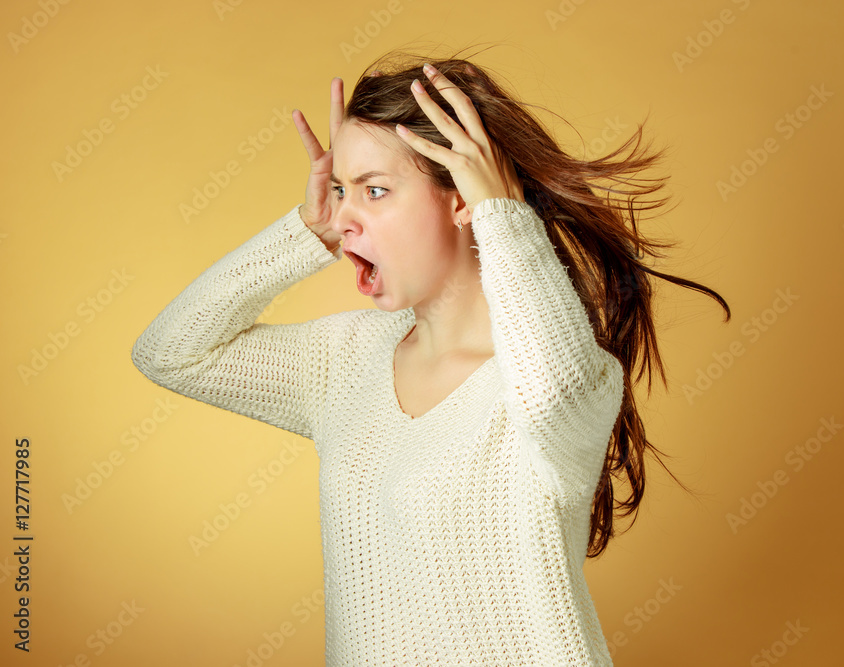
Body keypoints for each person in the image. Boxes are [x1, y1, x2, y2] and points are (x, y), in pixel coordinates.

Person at [131, 48, 730, 666]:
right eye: (340, 190)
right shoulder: (346, 360)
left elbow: (550, 391)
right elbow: (171, 353)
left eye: (376, 190)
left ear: (462, 199)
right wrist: (306, 232)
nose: (345, 215)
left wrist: (504, 213)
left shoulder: (565, 376)